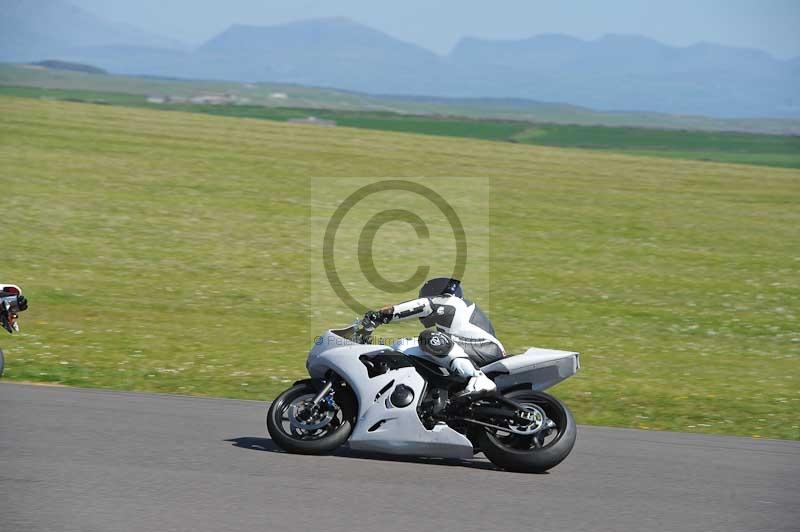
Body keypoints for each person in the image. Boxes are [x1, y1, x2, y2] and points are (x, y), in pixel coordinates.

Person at [362, 277, 505, 397]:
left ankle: (478, 378)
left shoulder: (453, 302)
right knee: (409, 345)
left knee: (428, 338)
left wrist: (380, 316)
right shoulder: (454, 325)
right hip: (481, 349)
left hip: (487, 348)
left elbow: (421, 306)